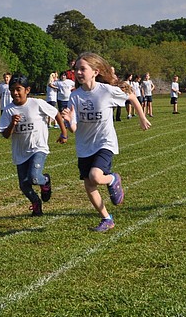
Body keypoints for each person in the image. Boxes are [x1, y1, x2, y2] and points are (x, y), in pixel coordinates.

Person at [61, 52, 150, 232]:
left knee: (95, 176)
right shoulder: (75, 96)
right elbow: (75, 129)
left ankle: (112, 179)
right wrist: (70, 122)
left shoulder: (106, 91)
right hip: (84, 146)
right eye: (76, 69)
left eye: (82, 69)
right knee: (89, 185)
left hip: (104, 142)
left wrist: (141, 117)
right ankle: (106, 218)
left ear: (95, 71)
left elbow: (131, 96)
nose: (78, 72)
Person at [0, 76, 69, 216]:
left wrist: (64, 133)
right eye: (12, 90)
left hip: (38, 148)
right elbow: (5, 134)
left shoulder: (36, 103)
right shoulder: (8, 110)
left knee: (34, 177)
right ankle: (36, 203)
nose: (15, 93)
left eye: (18, 89)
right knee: (24, 185)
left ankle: (45, 181)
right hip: (21, 152)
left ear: (27, 90)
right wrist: (12, 123)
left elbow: (55, 114)